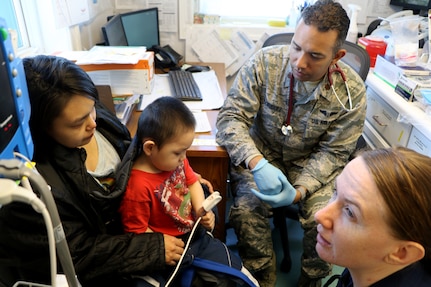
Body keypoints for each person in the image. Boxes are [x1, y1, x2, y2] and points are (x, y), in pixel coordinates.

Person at [0, 55, 188, 287]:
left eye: (93, 108)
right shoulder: (37, 187)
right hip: (119, 258)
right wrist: (149, 249)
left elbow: (135, 161)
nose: (93, 123)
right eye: (77, 123)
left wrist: (177, 178)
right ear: (42, 126)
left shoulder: (93, 117)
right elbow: (76, 254)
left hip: (144, 226)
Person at [215, 0, 367, 286]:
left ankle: (311, 281)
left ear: (338, 56)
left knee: (325, 218)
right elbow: (229, 119)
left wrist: (300, 191)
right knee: (247, 212)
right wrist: (256, 162)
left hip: (312, 165)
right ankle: (260, 280)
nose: (299, 62)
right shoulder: (264, 64)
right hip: (260, 156)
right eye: (296, 47)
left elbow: (335, 152)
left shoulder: (352, 93)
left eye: (315, 55)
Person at [119, 96, 259, 286]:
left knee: (239, 277)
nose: (184, 158)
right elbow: (137, 231)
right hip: (167, 247)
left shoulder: (174, 160)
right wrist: (162, 245)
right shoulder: (137, 187)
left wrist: (201, 208)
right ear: (150, 148)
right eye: (178, 152)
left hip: (192, 235)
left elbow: (193, 183)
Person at [315, 147, 431, 287]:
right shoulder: (366, 265)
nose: (319, 215)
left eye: (350, 212)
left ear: (401, 253)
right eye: (336, 191)